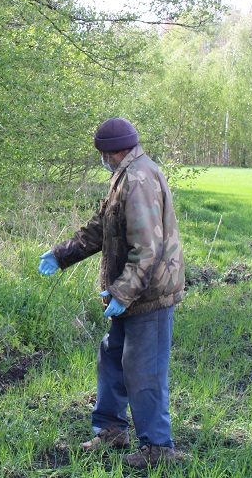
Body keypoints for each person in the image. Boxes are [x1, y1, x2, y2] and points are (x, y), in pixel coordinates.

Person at [38, 117, 185, 468]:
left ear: (110, 151)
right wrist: (61, 255)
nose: (100, 159)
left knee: (144, 371)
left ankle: (158, 450)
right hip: (133, 294)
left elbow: (148, 248)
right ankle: (112, 431)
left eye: (101, 152)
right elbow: (101, 228)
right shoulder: (125, 176)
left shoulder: (139, 179)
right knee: (113, 358)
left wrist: (122, 292)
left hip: (148, 294)